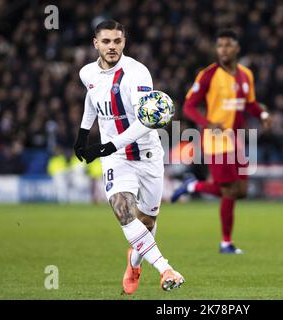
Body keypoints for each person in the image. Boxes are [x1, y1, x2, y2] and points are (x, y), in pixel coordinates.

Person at [73, 20, 184, 295]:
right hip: (117, 159)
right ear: (95, 43)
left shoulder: (137, 74)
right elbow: (92, 99)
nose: (112, 47)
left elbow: (146, 121)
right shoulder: (87, 73)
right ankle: (166, 269)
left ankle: (134, 263)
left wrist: (106, 146)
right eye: (107, 41)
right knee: (122, 210)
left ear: (124, 42)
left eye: (118, 41)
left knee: (146, 223)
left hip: (147, 155)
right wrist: (83, 134)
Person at [171, 29, 271, 254]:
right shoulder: (208, 75)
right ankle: (226, 242)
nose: (223, 49)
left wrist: (263, 115)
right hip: (217, 141)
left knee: (241, 191)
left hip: (238, 140)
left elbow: (251, 103)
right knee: (228, 191)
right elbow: (188, 106)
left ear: (237, 48)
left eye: (228, 45)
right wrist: (207, 123)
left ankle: (192, 185)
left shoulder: (246, 75)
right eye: (220, 46)